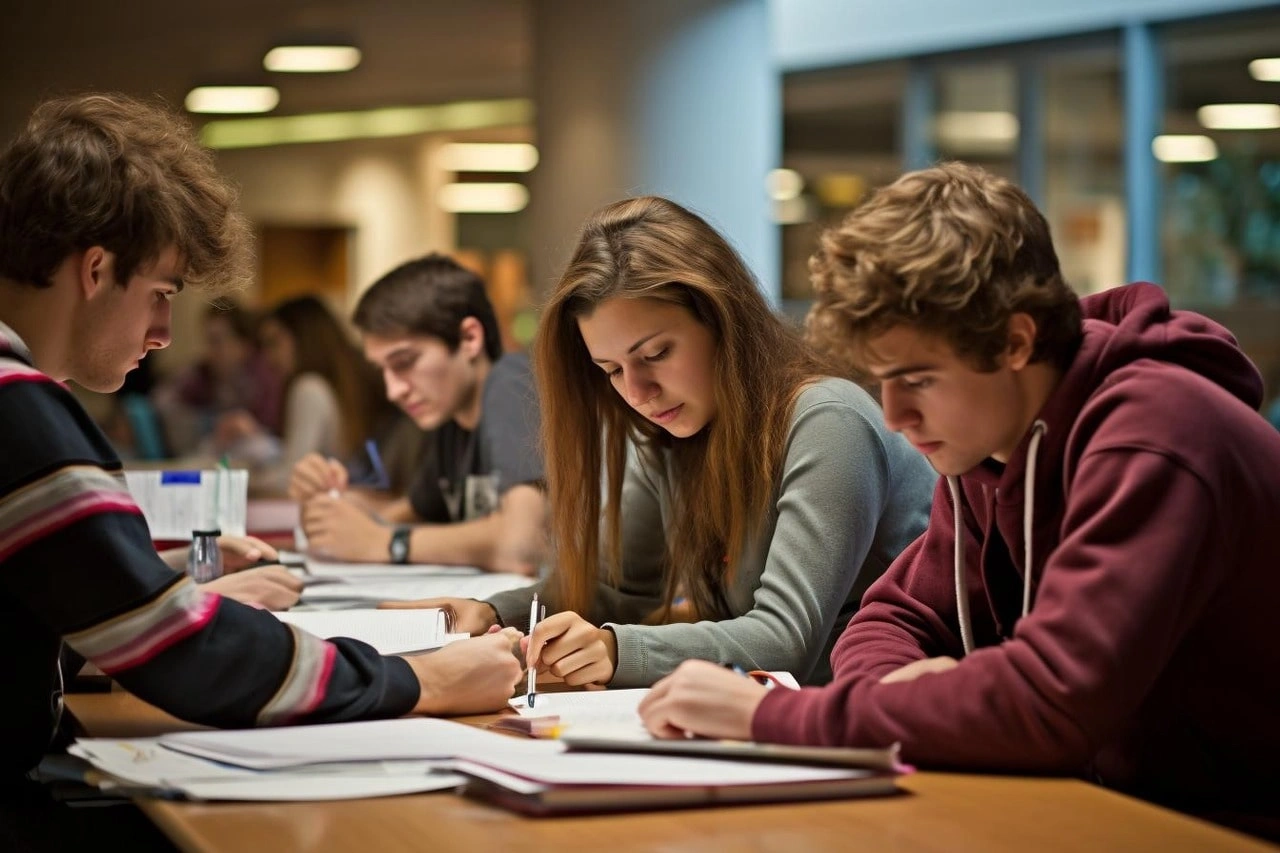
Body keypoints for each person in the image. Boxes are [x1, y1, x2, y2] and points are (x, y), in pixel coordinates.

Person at [637, 162, 1280, 838]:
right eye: (882, 380)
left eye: (917, 379)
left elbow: (1048, 702)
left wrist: (763, 717)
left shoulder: (1155, 436)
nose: (895, 416)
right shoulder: (991, 442)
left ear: (1015, 340)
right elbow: (892, 615)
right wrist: (895, 692)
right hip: (1109, 809)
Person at [0, 92, 524, 831]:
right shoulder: (18, 407)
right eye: (160, 295)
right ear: (94, 269)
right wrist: (420, 679)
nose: (162, 332)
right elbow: (181, 656)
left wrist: (158, 589)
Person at [406, 196, 936, 688]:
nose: (636, 392)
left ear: (722, 321)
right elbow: (617, 591)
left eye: (656, 354)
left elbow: (784, 641)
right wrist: (497, 615)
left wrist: (614, 650)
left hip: (876, 732)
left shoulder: (828, 420)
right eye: (610, 369)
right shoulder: (672, 429)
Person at [289, 254, 547, 575]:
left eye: (405, 362)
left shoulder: (510, 382)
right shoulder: (452, 420)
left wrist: (387, 543)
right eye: (383, 370)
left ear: (469, 339)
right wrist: (331, 504)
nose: (393, 390)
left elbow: (522, 545)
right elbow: (395, 516)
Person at [218, 294, 399, 495]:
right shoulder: (341, 385)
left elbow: (290, 477)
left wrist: (227, 480)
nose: (268, 358)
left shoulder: (309, 387)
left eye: (274, 343)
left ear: (303, 337)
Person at [152, 299, 282, 456]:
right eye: (208, 341)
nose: (210, 351)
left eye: (217, 341)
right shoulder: (202, 373)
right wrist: (207, 423)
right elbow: (162, 399)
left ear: (243, 344)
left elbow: (277, 436)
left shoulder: (265, 376)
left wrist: (250, 428)